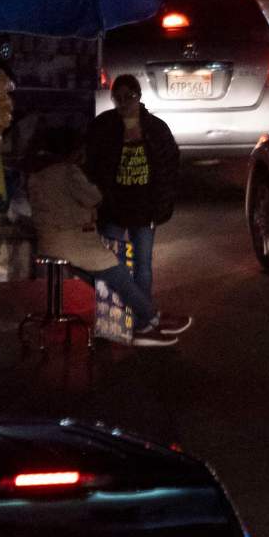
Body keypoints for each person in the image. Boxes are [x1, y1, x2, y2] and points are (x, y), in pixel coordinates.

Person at [25, 129, 183, 347]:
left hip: (49, 243)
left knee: (104, 280)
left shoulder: (36, 174)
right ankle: (149, 320)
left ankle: (141, 324)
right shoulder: (68, 172)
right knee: (118, 275)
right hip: (73, 242)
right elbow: (94, 198)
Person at [84, 75, 182, 319]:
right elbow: (93, 164)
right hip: (114, 205)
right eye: (119, 98)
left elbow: (170, 163)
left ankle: (141, 319)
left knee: (143, 264)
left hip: (145, 206)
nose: (125, 102)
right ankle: (113, 319)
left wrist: (162, 201)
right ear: (113, 99)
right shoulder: (105, 126)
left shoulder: (155, 128)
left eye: (130, 97)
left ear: (139, 97)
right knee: (109, 264)